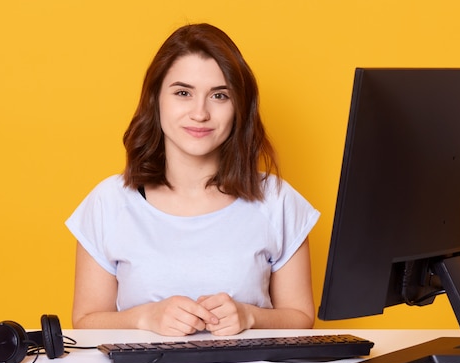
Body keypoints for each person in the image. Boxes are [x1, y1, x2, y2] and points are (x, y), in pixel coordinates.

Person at [66, 23, 320, 337]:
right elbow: (86, 320)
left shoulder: (277, 200)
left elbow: (300, 316)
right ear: (156, 99)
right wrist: (146, 317)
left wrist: (249, 316)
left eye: (219, 95)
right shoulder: (109, 202)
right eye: (183, 93)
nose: (200, 113)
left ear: (239, 107)